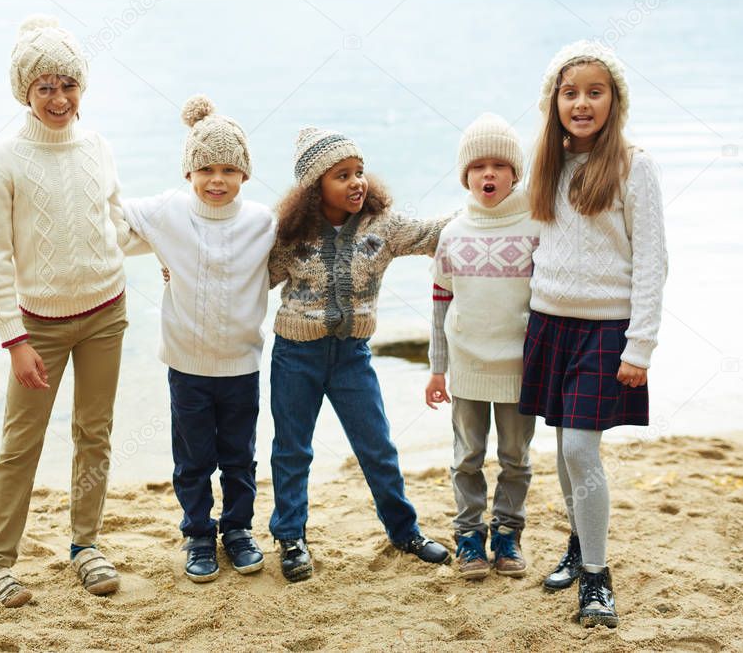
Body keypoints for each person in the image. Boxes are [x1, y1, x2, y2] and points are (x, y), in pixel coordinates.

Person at [0, 15, 144, 607]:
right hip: (39, 327)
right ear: (24, 90)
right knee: (21, 443)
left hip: (107, 312)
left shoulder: (99, 146)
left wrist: (180, 247)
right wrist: (14, 339)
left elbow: (118, 224)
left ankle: (85, 545)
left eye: (68, 84)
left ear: (83, 88)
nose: (58, 97)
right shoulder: (2, 160)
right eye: (44, 85)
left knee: (94, 435)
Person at [519, 40, 668, 628]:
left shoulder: (636, 165)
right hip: (549, 323)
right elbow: (530, 239)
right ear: (553, 100)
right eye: (570, 92)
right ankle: (579, 549)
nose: (581, 103)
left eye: (594, 92)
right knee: (562, 446)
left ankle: (599, 580)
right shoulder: (547, 163)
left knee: (582, 449)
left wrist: (642, 344)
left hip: (607, 328)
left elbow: (653, 259)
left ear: (615, 100)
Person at [267, 126, 453, 582]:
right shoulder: (290, 234)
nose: (356, 183)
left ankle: (404, 531)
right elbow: (244, 275)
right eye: (342, 175)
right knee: (293, 450)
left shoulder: (382, 228)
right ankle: (291, 537)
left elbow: (435, 234)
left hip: (352, 355)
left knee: (377, 446)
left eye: (359, 172)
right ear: (315, 189)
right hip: (296, 355)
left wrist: (497, 209)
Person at [119, 95, 274, 583]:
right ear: (188, 172)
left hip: (242, 366)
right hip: (186, 366)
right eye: (205, 167)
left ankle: (238, 530)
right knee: (191, 461)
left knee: (239, 457)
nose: (216, 180)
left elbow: (300, 253)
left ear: (245, 174)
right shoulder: (168, 212)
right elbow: (113, 215)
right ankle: (199, 534)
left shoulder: (263, 222)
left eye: (229, 169)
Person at [425, 113, 539, 581]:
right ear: (465, 175)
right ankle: (469, 535)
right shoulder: (453, 233)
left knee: (515, 457)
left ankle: (508, 532)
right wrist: (437, 368)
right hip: (467, 366)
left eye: (498, 165)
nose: (487, 174)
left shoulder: (536, 227)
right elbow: (439, 303)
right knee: (466, 456)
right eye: (477, 166)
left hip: (519, 369)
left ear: (515, 173)